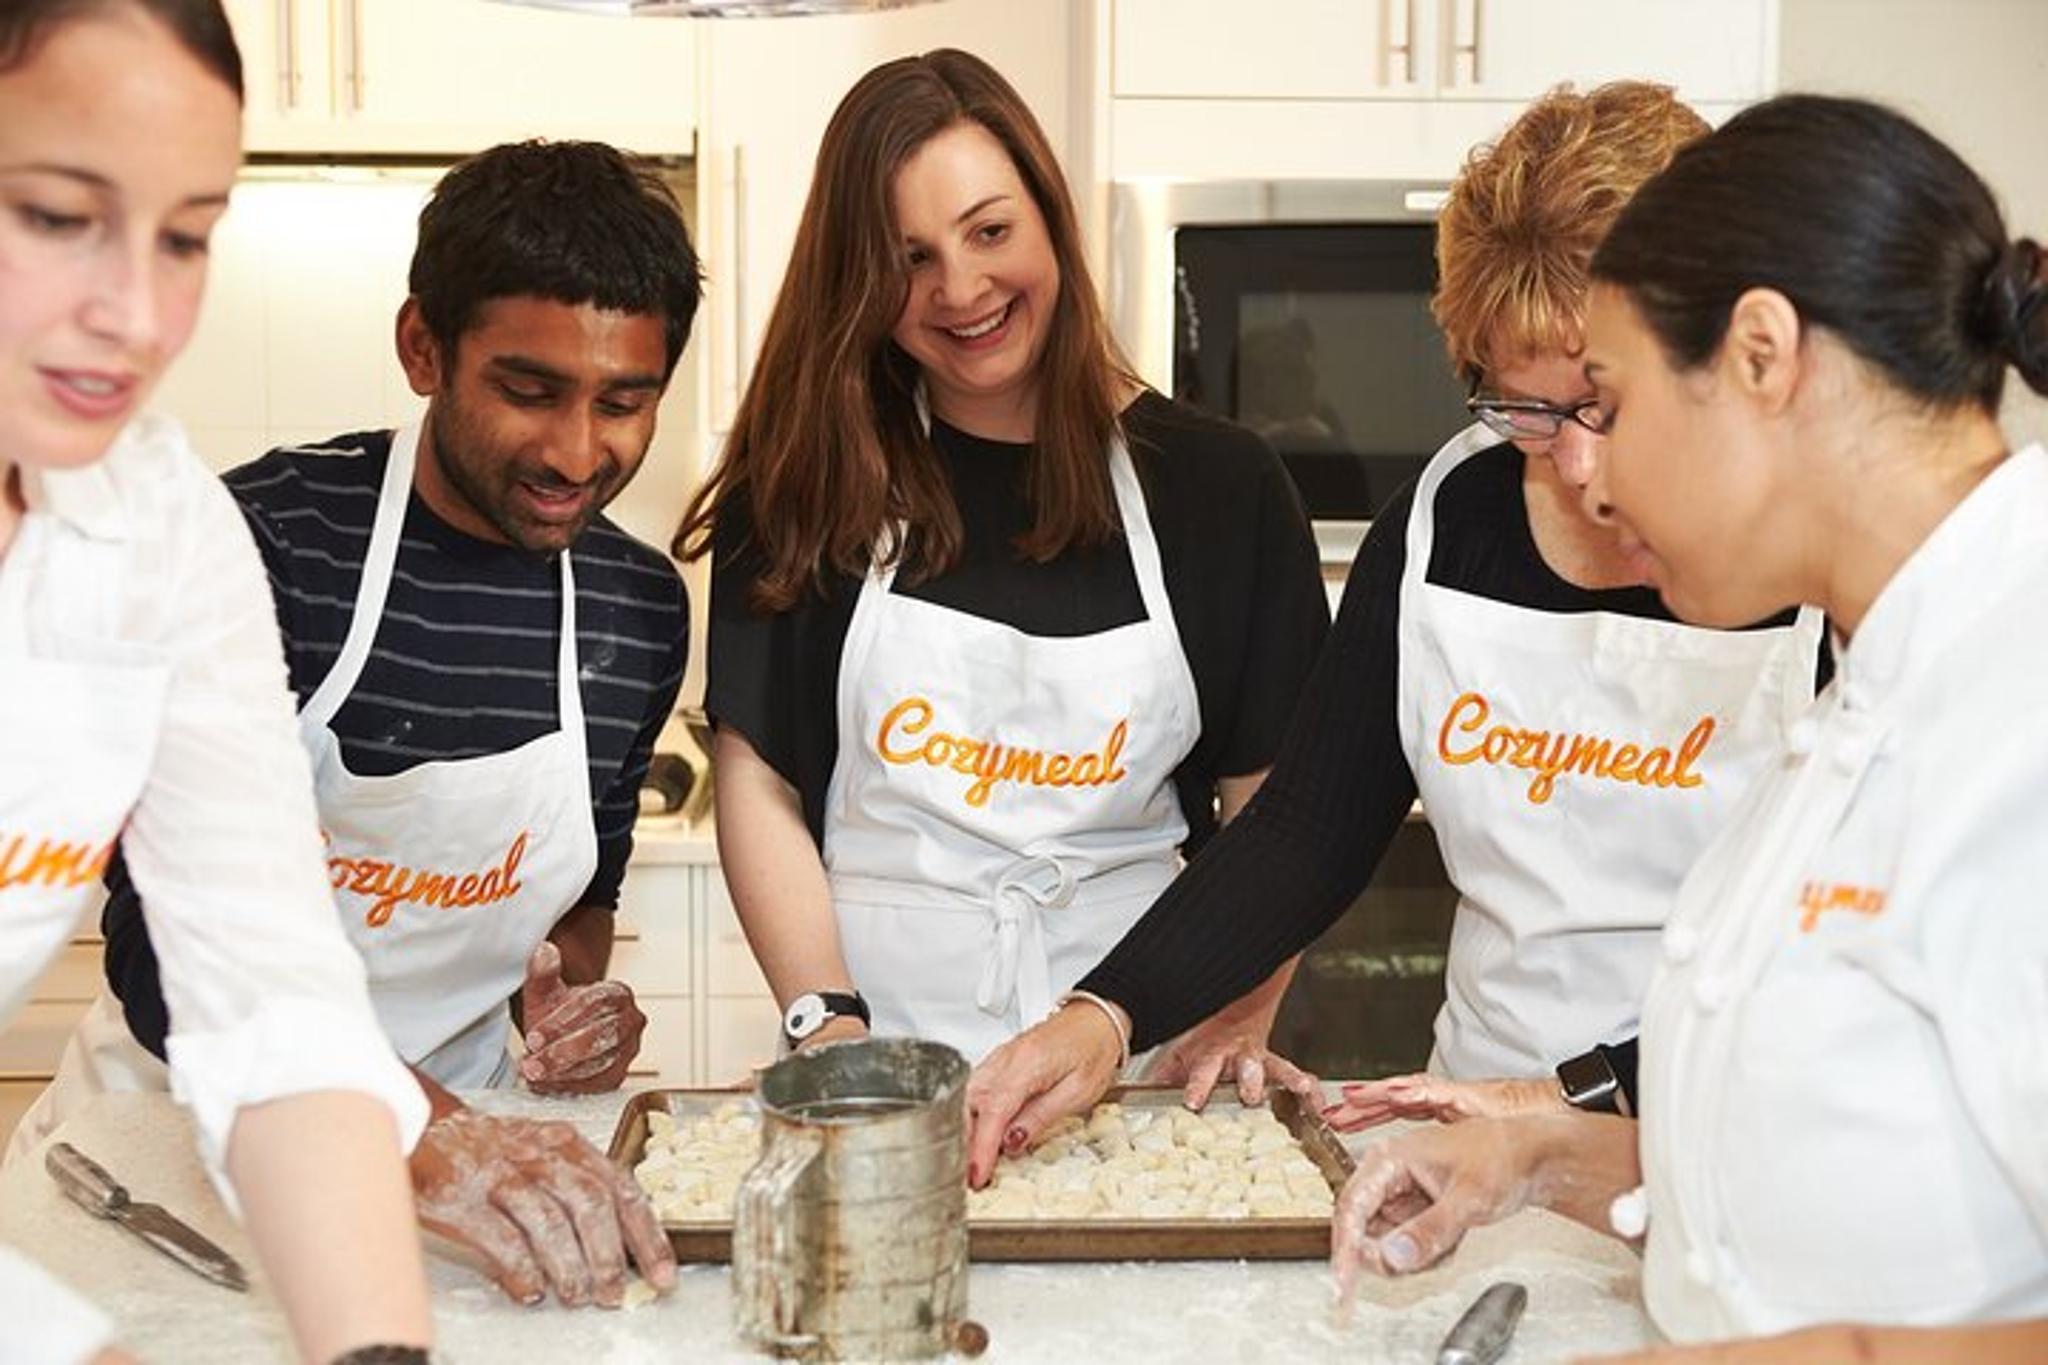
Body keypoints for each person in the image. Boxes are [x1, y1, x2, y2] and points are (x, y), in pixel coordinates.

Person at [963, 82, 1828, 1181]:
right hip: (1471, 1128)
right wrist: (1105, 1016)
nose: (1574, 466)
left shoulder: (1813, 568)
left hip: (1727, 1135)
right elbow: (1307, 826)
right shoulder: (1441, 523)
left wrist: (1567, 1098)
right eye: (1523, 410)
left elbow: (1832, 972)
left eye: (1602, 407)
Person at [1328, 94, 2048, 1363]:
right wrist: (1543, 1157)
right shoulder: (1866, 690)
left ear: (1761, 358)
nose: (1582, 475)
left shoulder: (2017, 701)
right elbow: (1836, 1193)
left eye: (1605, 402)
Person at [15, 138, 699, 1308]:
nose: (577, 453)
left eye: (623, 403)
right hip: (176, 1153)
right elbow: (167, 943)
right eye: (529, 391)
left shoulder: (636, 609)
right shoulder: (264, 547)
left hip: (476, 1162)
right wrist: (404, 1125)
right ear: (423, 348)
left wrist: (569, 998)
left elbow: (585, 897)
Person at [673, 49, 1327, 1068]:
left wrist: (1227, 1022)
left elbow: (1272, 815)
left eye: (988, 231)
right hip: (876, 1054)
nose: (960, 288)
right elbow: (759, 780)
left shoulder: (1219, 487)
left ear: (1048, 220)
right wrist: (826, 1023)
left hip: (1144, 1052)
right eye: (909, 257)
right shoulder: (806, 474)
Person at [0, 2, 435, 1361]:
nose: (135, 313)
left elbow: (276, 1006)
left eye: (185, 235)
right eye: (59, 214)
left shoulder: (153, 526)